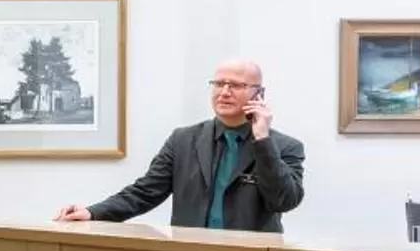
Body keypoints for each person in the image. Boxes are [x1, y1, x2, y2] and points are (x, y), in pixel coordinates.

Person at [55, 58, 306, 232]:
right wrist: (93, 212)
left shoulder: (284, 147)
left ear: (258, 94)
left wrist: (262, 140)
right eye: (219, 83)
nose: (224, 92)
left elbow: (284, 201)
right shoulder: (183, 140)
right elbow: (145, 192)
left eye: (237, 85)